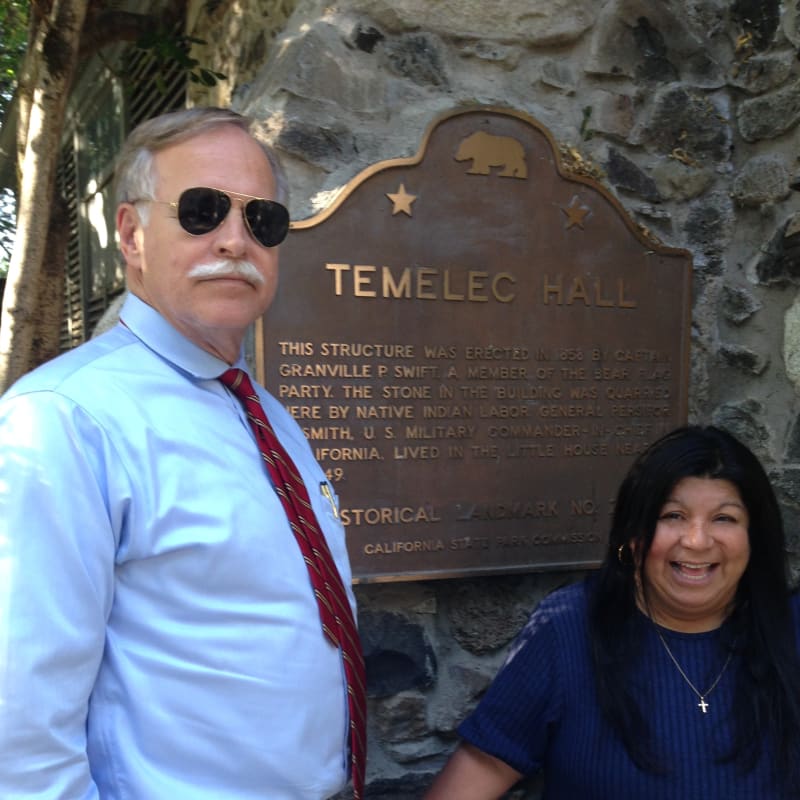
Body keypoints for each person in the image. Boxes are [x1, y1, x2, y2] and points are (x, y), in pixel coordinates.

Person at [0, 107, 365, 799]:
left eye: (262, 220)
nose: (235, 239)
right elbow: (19, 724)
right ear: (133, 235)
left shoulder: (267, 414)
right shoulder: (64, 421)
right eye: (201, 211)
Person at [424, 425, 800, 799]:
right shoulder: (569, 628)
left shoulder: (790, 629)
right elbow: (479, 771)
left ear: (754, 537)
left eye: (724, 518)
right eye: (673, 516)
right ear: (633, 536)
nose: (697, 540)